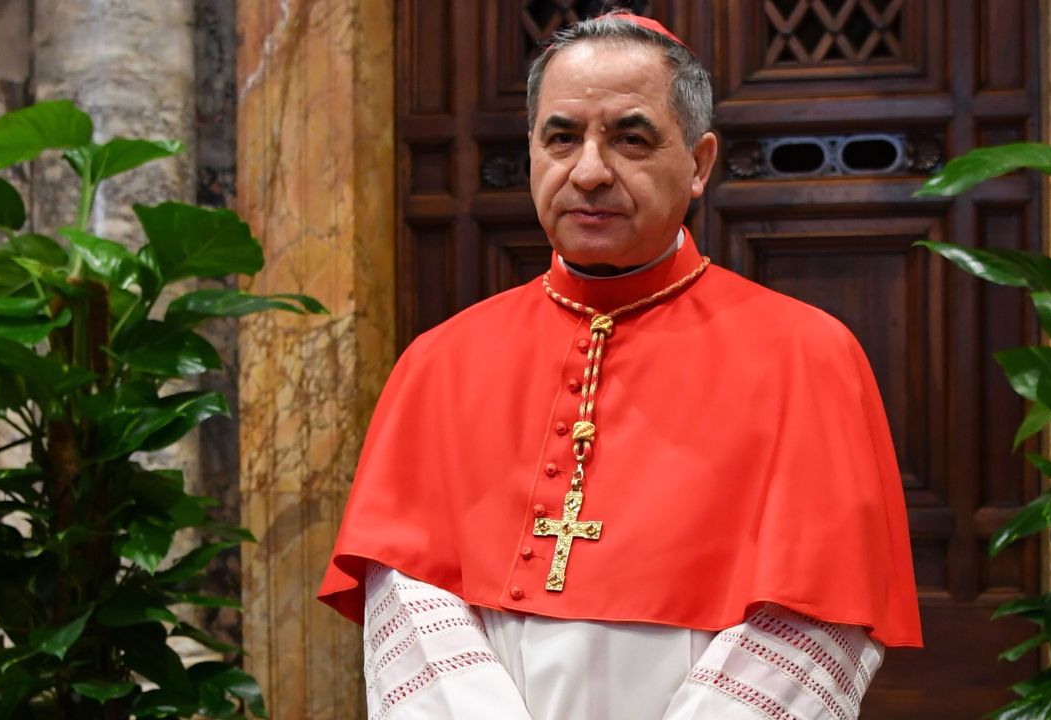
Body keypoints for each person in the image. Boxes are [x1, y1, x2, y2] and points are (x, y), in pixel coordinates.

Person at [318, 12, 921, 719]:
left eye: (630, 138)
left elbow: (817, 617)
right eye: (562, 137)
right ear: (534, 153)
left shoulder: (808, 356)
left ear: (698, 164)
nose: (591, 171)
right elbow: (410, 604)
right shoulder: (440, 361)